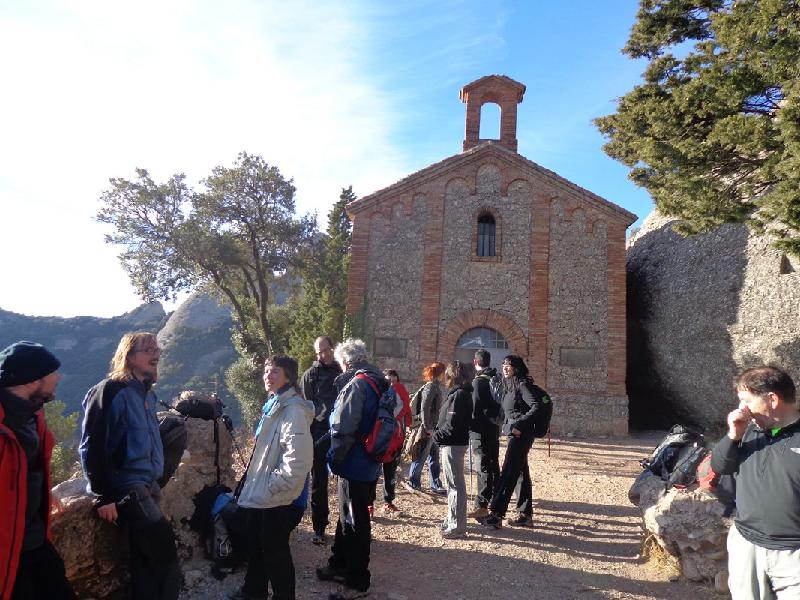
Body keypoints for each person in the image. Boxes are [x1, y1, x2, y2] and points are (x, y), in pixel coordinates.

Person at [79, 332, 180, 600]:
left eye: (157, 349)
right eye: (147, 350)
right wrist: (103, 495)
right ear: (129, 356)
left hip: (148, 485)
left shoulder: (146, 395)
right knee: (165, 550)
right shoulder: (110, 390)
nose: (155, 354)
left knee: (144, 559)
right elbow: (92, 443)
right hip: (127, 487)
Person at [711, 366, 800, 599]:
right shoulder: (749, 431)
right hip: (746, 546)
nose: (742, 409)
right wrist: (733, 435)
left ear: (772, 399)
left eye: (746, 400)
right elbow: (720, 466)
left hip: (793, 554)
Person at [230, 355, 314, 600]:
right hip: (263, 494)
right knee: (258, 548)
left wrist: (273, 487)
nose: (268, 375)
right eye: (266, 370)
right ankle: (253, 593)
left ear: (288, 376)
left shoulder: (294, 410)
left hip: (276, 498)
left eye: (275, 371)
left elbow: (298, 461)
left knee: (276, 554)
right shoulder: (275, 404)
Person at [0, 341, 76, 600]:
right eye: (52, 372)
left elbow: (28, 466)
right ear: (33, 379)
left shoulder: (34, 415)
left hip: (34, 540)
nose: (59, 377)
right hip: (6, 552)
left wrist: (43, 490)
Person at [316, 338, 388, 599]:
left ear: (345, 361)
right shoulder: (378, 382)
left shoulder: (357, 385)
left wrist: (333, 459)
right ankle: (339, 564)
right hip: (370, 461)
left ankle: (357, 582)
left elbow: (344, 429)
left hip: (353, 462)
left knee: (355, 522)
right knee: (347, 516)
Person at [483, 354, 551, 529]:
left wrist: (519, 424)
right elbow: (509, 412)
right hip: (517, 434)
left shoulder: (522, 386)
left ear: (517, 368)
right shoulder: (510, 387)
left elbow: (537, 405)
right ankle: (525, 514)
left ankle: (497, 514)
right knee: (521, 473)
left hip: (521, 435)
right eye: (504, 364)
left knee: (508, 473)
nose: (505, 367)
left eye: (509, 365)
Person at [301, 336, 343, 545]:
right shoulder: (309, 376)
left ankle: (348, 525)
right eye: (319, 352)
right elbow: (307, 408)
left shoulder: (342, 371)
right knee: (318, 481)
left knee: (345, 477)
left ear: (333, 348)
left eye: (325, 350)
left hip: (341, 432)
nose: (323, 355)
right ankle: (319, 527)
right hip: (318, 432)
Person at [433, 361, 474, 539]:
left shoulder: (459, 396)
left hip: (453, 444)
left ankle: (457, 526)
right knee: (452, 485)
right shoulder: (459, 394)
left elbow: (453, 425)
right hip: (452, 443)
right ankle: (452, 519)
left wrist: (435, 435)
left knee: (455, 486)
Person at [368, 369, 411, 516]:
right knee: (381, 471)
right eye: (388, 379)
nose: (390, 382)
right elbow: (406, 410)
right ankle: (374, 504)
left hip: (388, 437)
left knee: (385, 472)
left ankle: (380, 503)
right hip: (384, 437)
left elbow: (405, 410)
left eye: (392, 378)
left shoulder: (395, 390)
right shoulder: (386, 391)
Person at [467, 349, 501, 522]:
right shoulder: (496, 378)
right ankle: (497, 501)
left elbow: (474, 410)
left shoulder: (477, 382)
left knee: (483, 468)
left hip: (479, 431)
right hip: (494, 429)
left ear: (475, 362)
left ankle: (481, 505)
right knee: (493, 465)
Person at [404, 362, 447, 494]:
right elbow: (425, 407)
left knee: (434, 457)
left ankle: (435, 484)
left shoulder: (435, 386)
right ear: (440, 373)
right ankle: (414, 481)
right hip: (428, 428)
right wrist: (427, 427)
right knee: (421, 455)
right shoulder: (431, 387)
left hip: (434, 427)